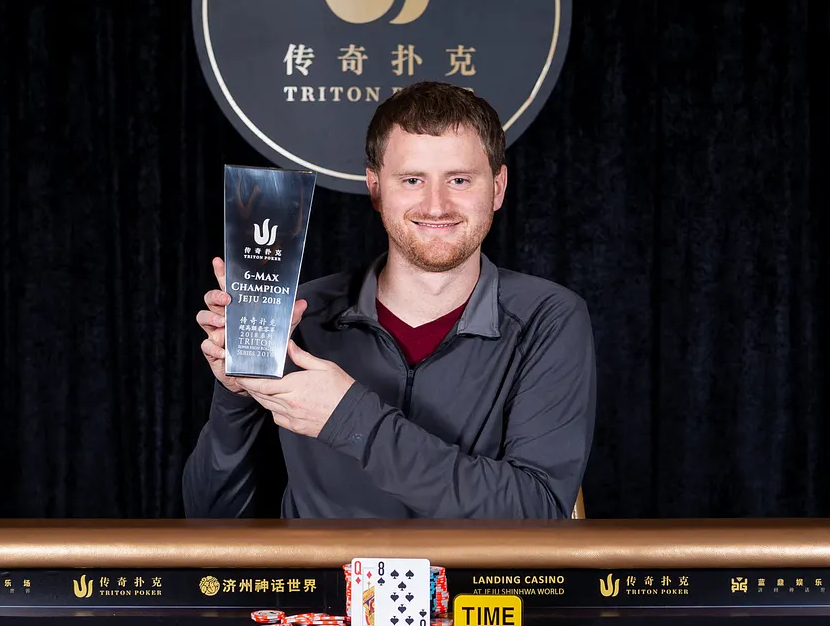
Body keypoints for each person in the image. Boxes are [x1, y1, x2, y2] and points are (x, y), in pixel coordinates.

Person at [182, 81, 595, 518]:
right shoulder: (297, 316)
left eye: (459, 180)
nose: (436, 206)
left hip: (475, 570)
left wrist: (348, 418)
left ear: (497, 187)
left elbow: (539, 512)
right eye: (412, 180)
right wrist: (236, 395)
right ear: (376, 189)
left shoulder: (546, 318)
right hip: (321, 568)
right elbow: (211, 520)